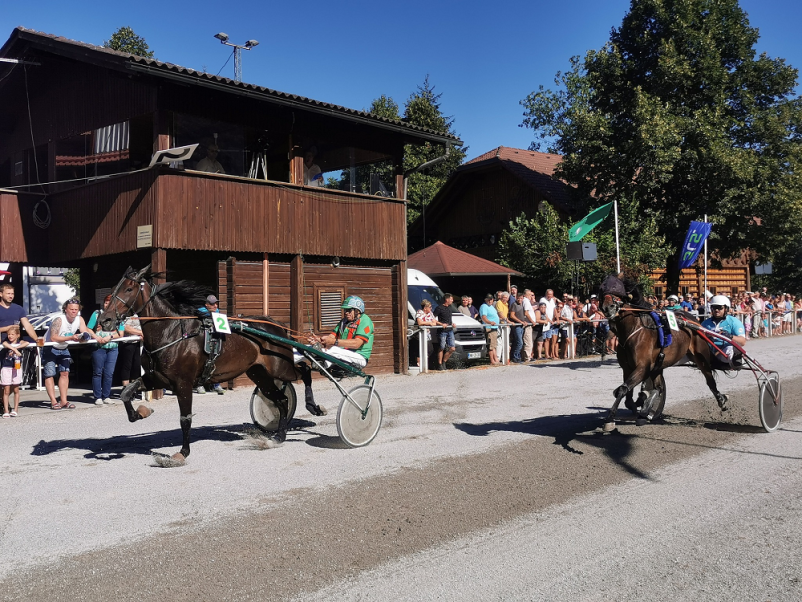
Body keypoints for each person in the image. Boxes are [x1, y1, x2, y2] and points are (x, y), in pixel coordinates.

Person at [44, 298, 101, 410]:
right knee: (49, 374)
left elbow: (84, 332)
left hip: (64, 346)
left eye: (76, 309)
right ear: (66, 309)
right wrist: (71, 337)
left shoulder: (79, 319)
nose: (74, 311)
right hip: (50, 346)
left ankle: (64, 401)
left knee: (65, 373)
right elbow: (53, 337)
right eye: (71, 309)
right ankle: (53, 401)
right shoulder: (59, 320)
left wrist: (86, 337)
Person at [314, 295, 373, 369]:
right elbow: (331, 337)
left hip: (359, 357)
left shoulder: (365, 320)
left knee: (333, 349)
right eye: (345, 310)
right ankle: (301, 369)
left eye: (349, 310)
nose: (346, 313)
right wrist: (318, 340)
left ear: (357, 311)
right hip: (342, 353)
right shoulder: (343, 322)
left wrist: (333, 342)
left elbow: (357, 344)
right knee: (308, 349)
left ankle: (321, 364)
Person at [87, 295, 124, 406]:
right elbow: (88, 328)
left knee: (109, 373)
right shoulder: (97, 314)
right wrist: (96, 337)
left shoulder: (118, 316)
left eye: (110, 302)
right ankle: (98, 397)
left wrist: (110, 337)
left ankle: (106, 396)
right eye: (106, 302)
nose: (107, 304)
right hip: (98, 347)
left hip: (113, 347)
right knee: (98, 372)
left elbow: (121, 333)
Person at [701, 295, 746, 365]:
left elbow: (742, 342)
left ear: (726, 308)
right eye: (714, 307)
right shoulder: (705, 323)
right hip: (708, 352)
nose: (716, 310)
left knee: (732, 349)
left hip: (724, 352)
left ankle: (735, 360)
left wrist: (730, 336)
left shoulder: (734, 322)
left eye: (719, 308)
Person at [195, 295, 225, 395]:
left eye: (216, 303)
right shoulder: (199, 311)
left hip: (214, 338)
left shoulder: (217, 312)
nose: (215, 306)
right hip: (201, 339)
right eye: (212, 304)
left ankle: (215, 384)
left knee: (216, 359)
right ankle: (199, 384)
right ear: (206, 304)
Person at [1, 325, 28, 417]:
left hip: (16, 368)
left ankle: (15, 409)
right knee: (6, 390)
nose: (10, 336)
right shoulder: (6, 342)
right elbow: (5, 344)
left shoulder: (20, 342)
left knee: (16, 389)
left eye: (12, 334)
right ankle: (6, 410)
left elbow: (26, 343)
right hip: (6, 367)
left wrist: (17, 348)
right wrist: (14, 349)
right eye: (9, 334)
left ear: (17, 335)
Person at [116, 313, 143, 396]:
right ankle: (125, 388)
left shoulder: (140, 313)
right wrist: (140, 332)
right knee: (127, 365)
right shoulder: (127, 314)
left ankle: (133, 388)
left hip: (139, 342)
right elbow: (126, 328)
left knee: (136, 365)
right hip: (128, 342)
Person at [432, 293, 457, 370]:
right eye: (451, 299)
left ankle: (444, 362)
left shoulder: (450, 308)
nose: (452, 301)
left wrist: (452, 323)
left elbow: (449, 319)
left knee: (452, 348)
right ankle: (439, 364)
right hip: (442, 331)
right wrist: (441, 324)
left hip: (450, 330)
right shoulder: (439, 308)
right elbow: (433, 319)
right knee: (441, 347)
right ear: (447, 300)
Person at [479, 294, 500, 365]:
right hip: (489, 328)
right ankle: (492, 361)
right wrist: (490, 322)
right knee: (491, 345)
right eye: (489, 299)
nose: (490, 301)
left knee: (494, 344)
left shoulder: (492, 307)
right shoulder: (484, 306)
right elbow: (484, 317)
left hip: (495, 328)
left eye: (491, 299)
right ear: (486, 300)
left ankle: (496, 359)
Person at [414, 299, 436, 367]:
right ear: (425, 307)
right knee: (420, 348)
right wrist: (428, 323)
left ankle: (424, 361)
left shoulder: (430, 313)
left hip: (427, 334)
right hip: (420, 333)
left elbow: (434, 323)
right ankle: (419, 363)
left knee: (430, 349)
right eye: (429, 307)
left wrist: (428, 323)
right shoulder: (419, 312)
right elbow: (420, 323)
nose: (431, 308)